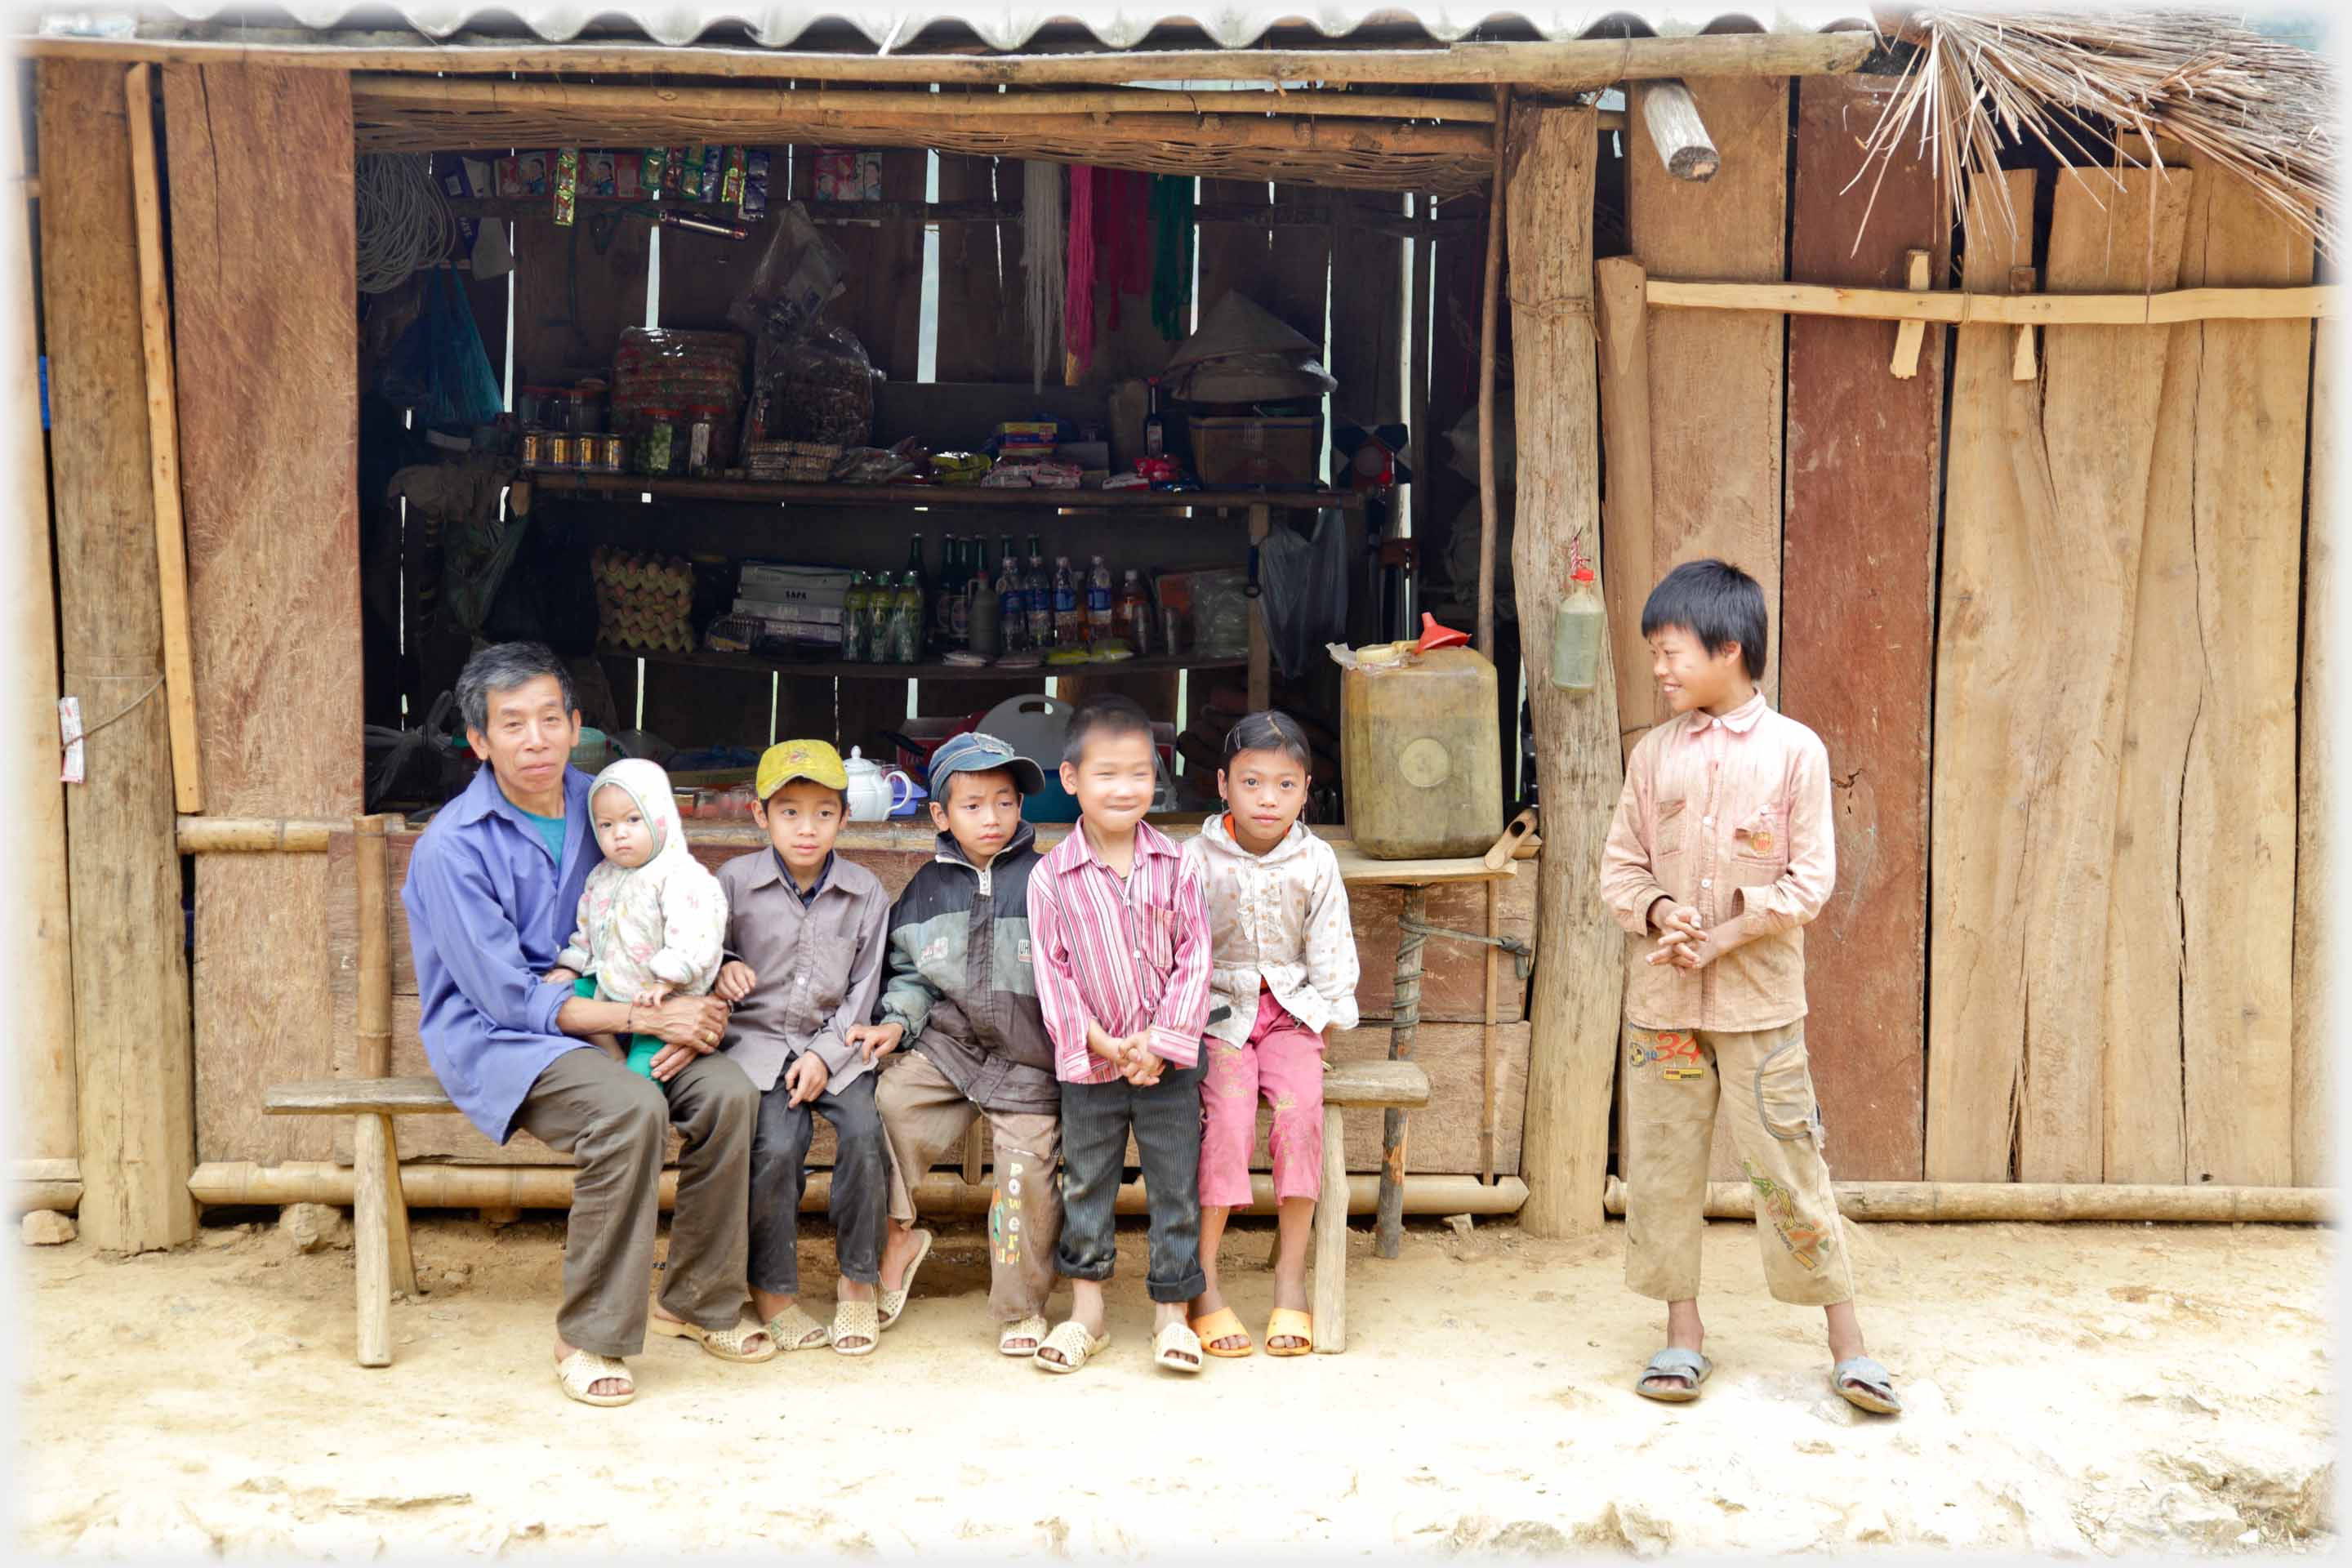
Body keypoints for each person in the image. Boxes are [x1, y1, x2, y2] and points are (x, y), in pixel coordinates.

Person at [403, 643, 771, 1410]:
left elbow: (678, 902)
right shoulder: (453, 846)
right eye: (512, 725)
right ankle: (590, 1335)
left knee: (731, 1093)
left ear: (576, 726)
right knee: (628, 1110)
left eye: (549, 718)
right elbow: (507, 999)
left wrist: (701, 991)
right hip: (507, 1039)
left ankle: (694, 1302)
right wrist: (650, 1014)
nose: (534, 739)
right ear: (478, 741)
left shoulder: (609, 800)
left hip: (626, 1016)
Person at [1597, 559, 1901, 1415]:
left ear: (1729, 648)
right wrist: (1662, 916)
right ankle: (1682, 1335)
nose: (1659, 669)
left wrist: (1721, 938)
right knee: (1661, 1170)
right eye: (1654, 654)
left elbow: (1809, 883)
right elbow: (1619, 868)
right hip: (1662, 1006)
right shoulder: (1653, 755)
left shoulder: (1795, 751)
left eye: (1671, 653)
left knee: (1788, 1163)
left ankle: (1850, 1345)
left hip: (1761, 1004)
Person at [853, 733, 1064, 1357]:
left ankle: (1021, 1307)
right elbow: (912, 976)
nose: (992, 818)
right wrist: (897, 1022)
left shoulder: (1049, 880)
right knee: (888, 1105)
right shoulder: (924, 890)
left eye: (1005, 802)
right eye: (973, 805)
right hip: (951, 1051)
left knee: (1025, 1176)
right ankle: (897, 1238)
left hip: (1030, 1058)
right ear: (941, 815)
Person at [1026, 696, 1214, 1376]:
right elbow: (1053, 973)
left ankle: (1172, 1317)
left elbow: (1197, 957)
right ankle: (1087, 1314)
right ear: (1070, 778)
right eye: (1106, 774)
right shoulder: (1052, 878)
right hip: (1092, 1064)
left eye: (1139, 773)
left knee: (1174, 1184)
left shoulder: (1179, 864)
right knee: (1087, 1186)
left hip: (1168, 1062)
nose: (1125, 789)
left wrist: (1161, 1041)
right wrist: (1102, 1042)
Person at [1182, 712, 1360, 1359]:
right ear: (1223, 785)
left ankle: (1290, 1272)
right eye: (1251, 782)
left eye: (1284, 785)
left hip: (1291, 1013)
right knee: (1228, 1122)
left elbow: (1331, 952)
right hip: (1216, 1016)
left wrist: (1328, 1017)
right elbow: (1179, 950)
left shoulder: (1314, 861)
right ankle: (1205, 1278)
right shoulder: (1193, 860)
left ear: (1306, 790)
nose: (1267, 798)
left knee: (1299, 1117)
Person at [713, 740, 893, 1356]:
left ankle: (857, 1286)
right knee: (776, 1147)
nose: (807, 827)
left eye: (823, 812)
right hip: (756, 1047)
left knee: (868, 1138)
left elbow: (864, 993)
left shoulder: (866, 891)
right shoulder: (733, 883)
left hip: (836, 1047)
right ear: (760, 816)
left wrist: (823, 1056)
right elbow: (702, 953)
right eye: (789, 811)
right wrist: (723, 969)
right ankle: (774, 1293)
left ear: (846, 818)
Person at [556, 759, 729, 1078]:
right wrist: (573, 964)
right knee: (558, 998)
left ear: (659, 817)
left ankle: (635, 1081)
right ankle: (611, 1053)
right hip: (610, 983)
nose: (619, 834)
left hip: (664, 998)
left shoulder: (679, 875)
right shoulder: (602, 875)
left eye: (633, 820)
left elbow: (696, 931)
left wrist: (668, 979)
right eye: (606, 825)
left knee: (647, 1068)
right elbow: (589, 926)